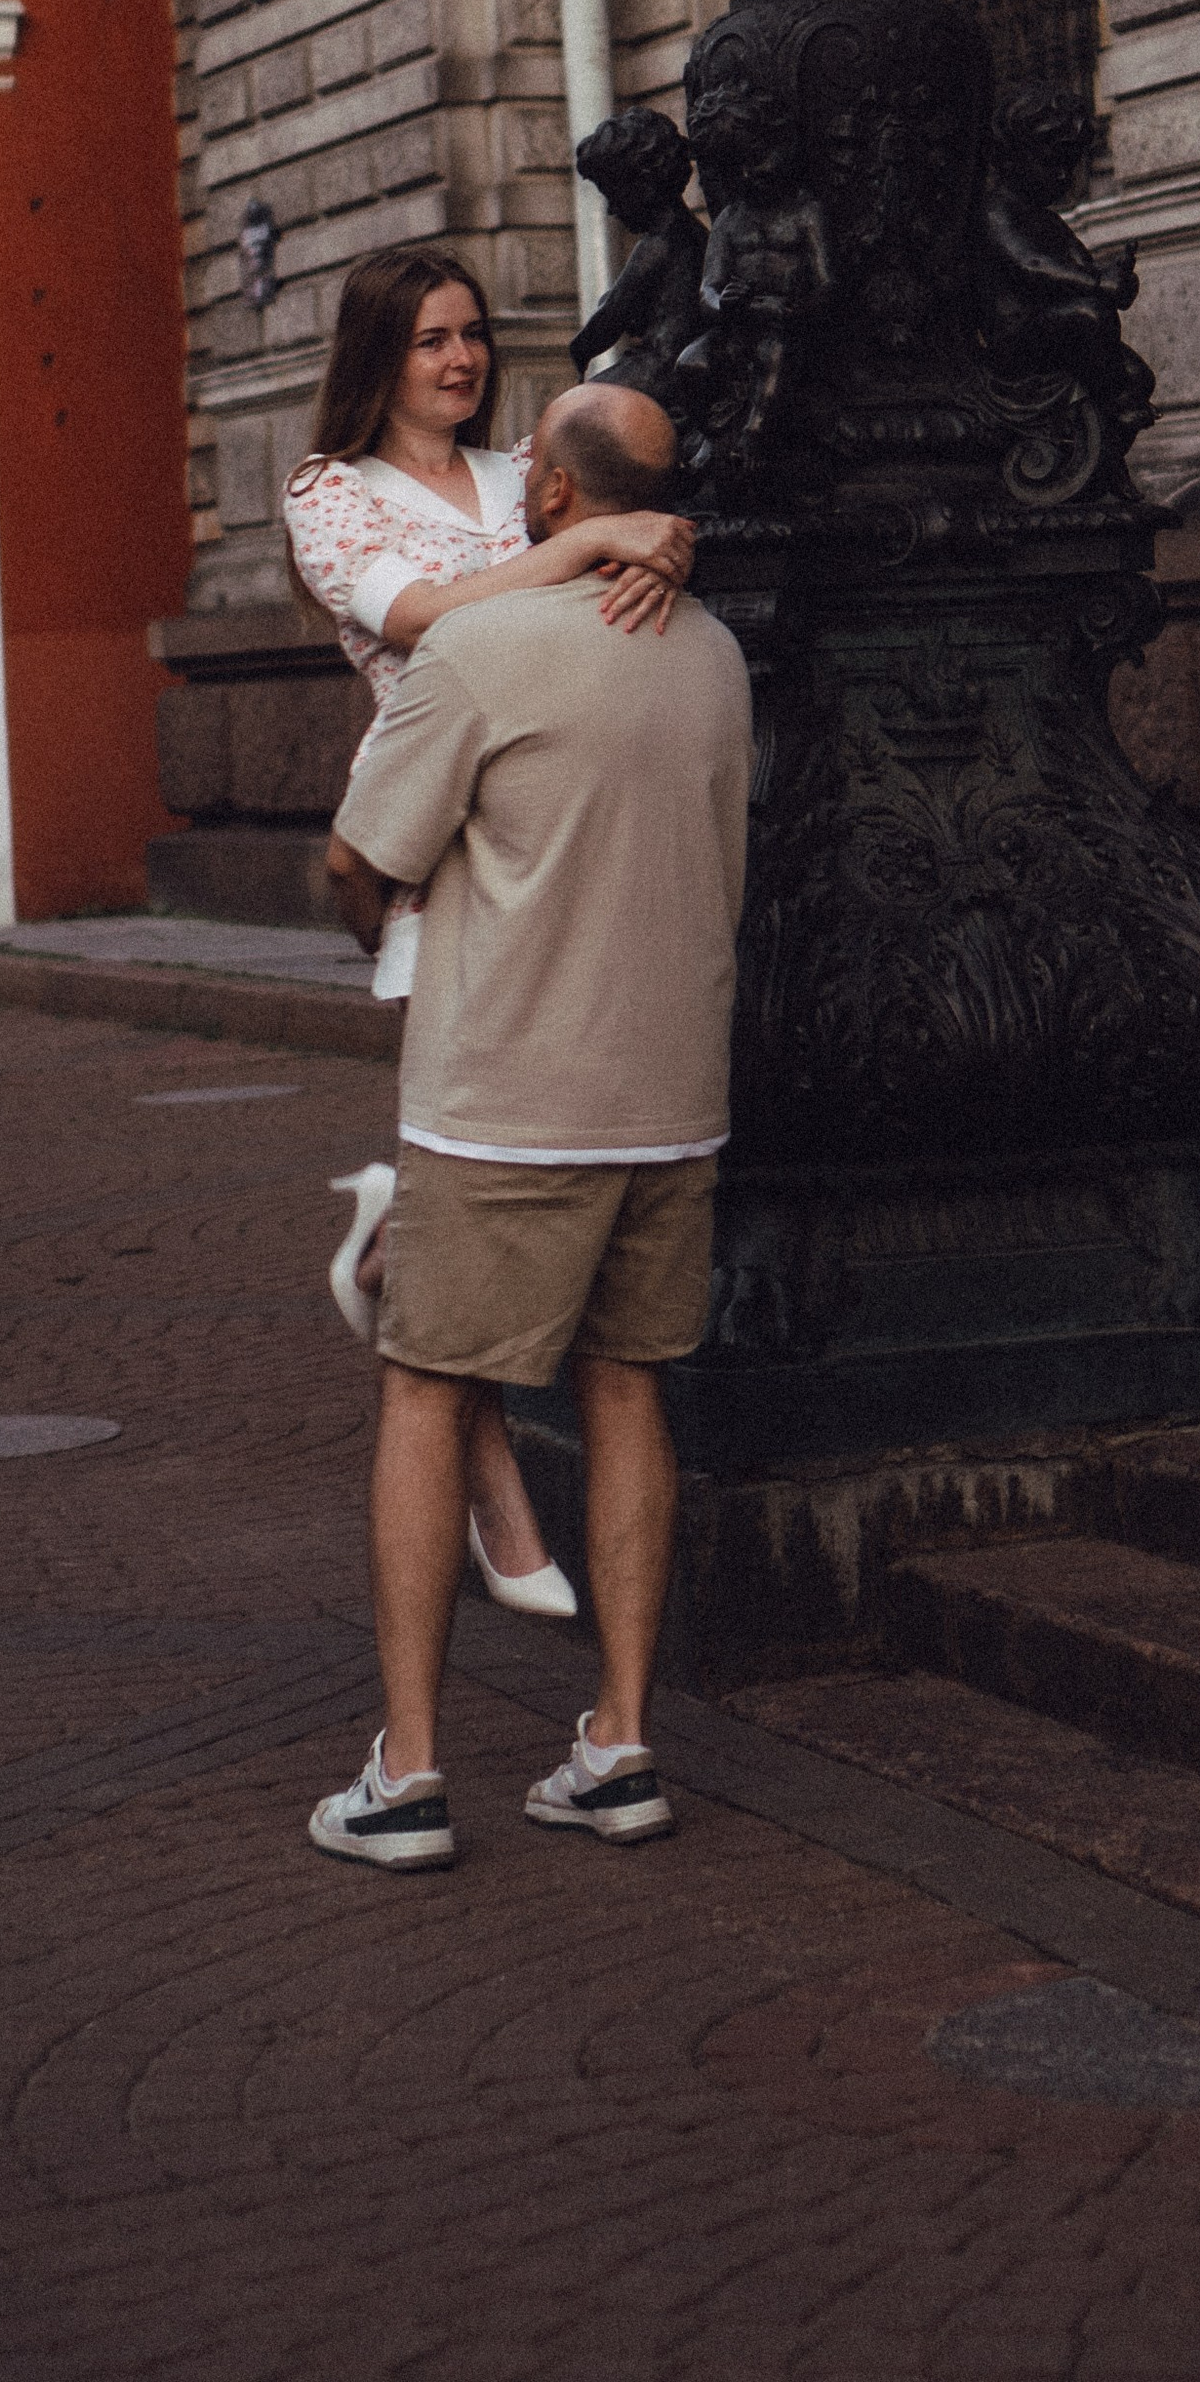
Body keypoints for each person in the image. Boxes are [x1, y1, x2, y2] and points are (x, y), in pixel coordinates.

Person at [307, 381, 751, 1871]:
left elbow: (358, 860)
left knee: (427, 1396)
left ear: (554, 502)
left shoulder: (476, 650)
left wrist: (415, 914)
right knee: (630, 1393)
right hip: (672, 1098)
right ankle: (620, 1745)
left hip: (505, 1103)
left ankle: (412, 1773)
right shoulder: (719, 657)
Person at [283, 246, 697, 1619]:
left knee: (496, 1168)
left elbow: (625, 531)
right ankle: (500, 1495)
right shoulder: (330, 498)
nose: (458, 360)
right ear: (377, 359)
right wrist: (585, 546)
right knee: (464, 1137)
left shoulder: (529, 472)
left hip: (568, 830)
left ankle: (390, 1253)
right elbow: (422, 622)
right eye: (426, 342)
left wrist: (660, 543)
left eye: (470, 335)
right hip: (433, 838)